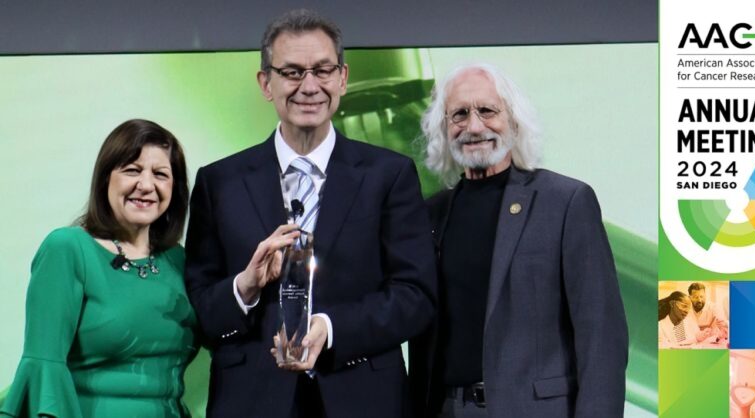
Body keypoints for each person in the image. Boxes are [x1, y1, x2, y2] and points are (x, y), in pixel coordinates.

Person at [183, 9, 436, 418]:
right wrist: (244, 287)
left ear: (343, 78)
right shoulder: (219, 182)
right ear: (266, 83)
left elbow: (416, 296)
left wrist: (331, 329)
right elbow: (199, 309)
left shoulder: (389, 175)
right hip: (251, 401)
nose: (310, 86)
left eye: (322, 70)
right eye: (292, 72)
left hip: (364, 397)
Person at [409, 63, 628, 417]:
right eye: (460, 114)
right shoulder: (429, 214)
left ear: (513, 120)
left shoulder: (565, 202)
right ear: (443, 128)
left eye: (487, 111)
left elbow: (602, 335)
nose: (474, 126)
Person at [0, 119, 196, 417]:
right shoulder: (67, 248)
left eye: (160, 174)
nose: (146, 185)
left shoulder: (178, 260)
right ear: (106, 179)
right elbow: (44, 365)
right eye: (132, 170)